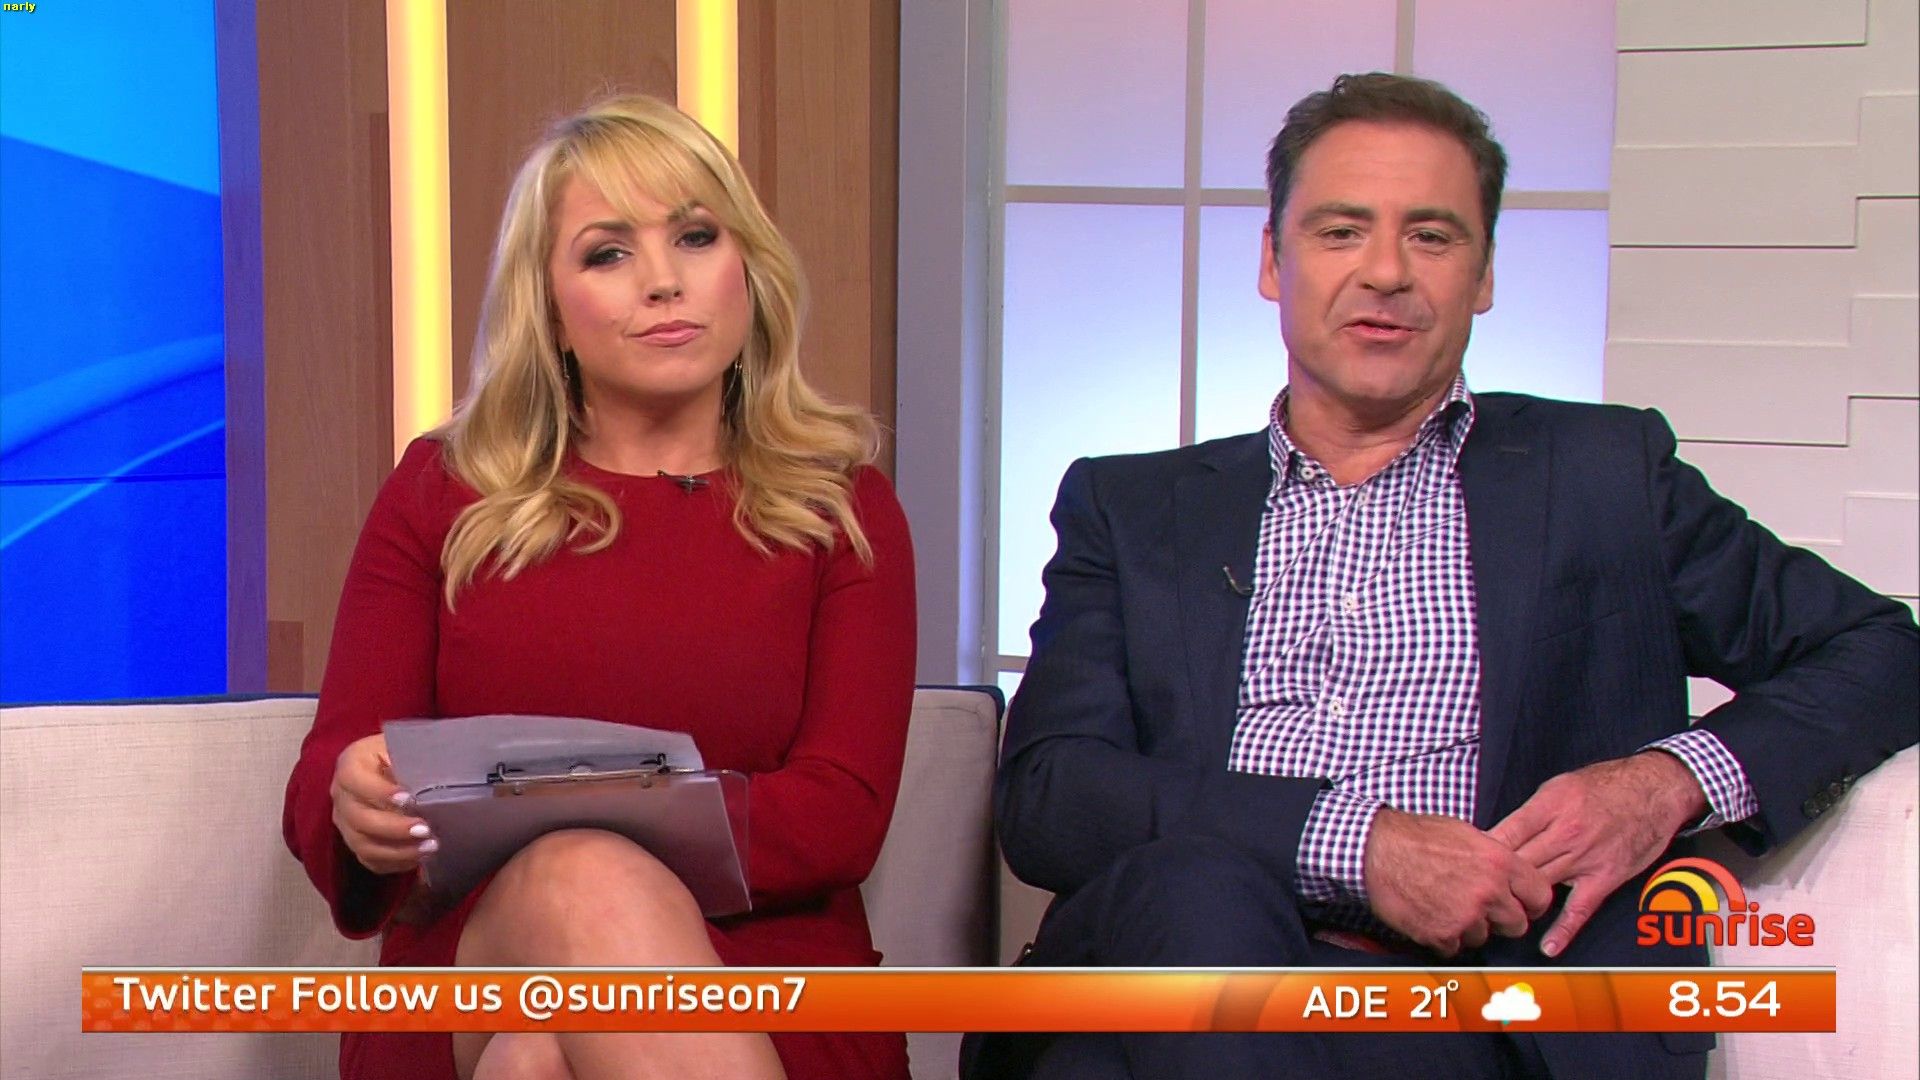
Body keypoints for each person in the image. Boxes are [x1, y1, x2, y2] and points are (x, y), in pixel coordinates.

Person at [965, 72, 1918, 1080]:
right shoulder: (1130, 506)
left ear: (1484, 274)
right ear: (1274, 262)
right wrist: (1356, 845)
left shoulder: (1605, 476)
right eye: (1341, 231)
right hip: (1178, 964)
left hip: (1478, 1006)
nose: (1386, 271)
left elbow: (1881, 650)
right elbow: (1052, 796)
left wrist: (1665, 782)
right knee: (1198, 890)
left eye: (1431, 235)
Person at [283, 94, 916, 1080]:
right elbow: (337, 766)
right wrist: (358, 801)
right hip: (474, 959)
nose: (663, 281)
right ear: (548, 310)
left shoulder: (842, 507)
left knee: (534, 1058)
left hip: (770, 976)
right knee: (578, 881)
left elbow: (842, 813)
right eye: (608, 253)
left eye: (696, 237)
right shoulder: (442, 493)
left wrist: (604, 832)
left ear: (748, 270)